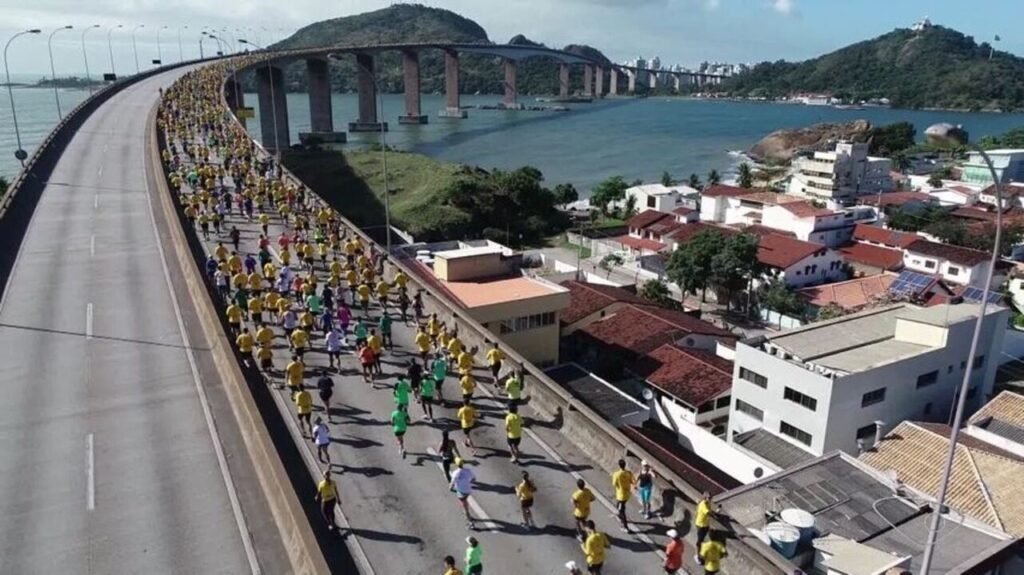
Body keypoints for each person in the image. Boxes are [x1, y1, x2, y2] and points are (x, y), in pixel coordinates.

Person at [449, 458, 476, 527]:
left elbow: (452, 483)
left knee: (464, 507)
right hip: (468, 490)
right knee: (465, 501)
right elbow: (473, 479)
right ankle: (466, 509)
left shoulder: (455, 473)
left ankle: (470, 522)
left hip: (461, 491)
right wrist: (467, 482)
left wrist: (450, 488)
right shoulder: (468, 471)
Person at [611, 458, 635, 531]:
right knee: (619, 506)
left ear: (619, 465)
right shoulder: (629, 473)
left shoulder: (616, 474)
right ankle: (619, 515)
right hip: (627, 493)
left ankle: (625, 526)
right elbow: (632, 482)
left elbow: (614, 484)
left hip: (621, 495)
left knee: (622, 511)